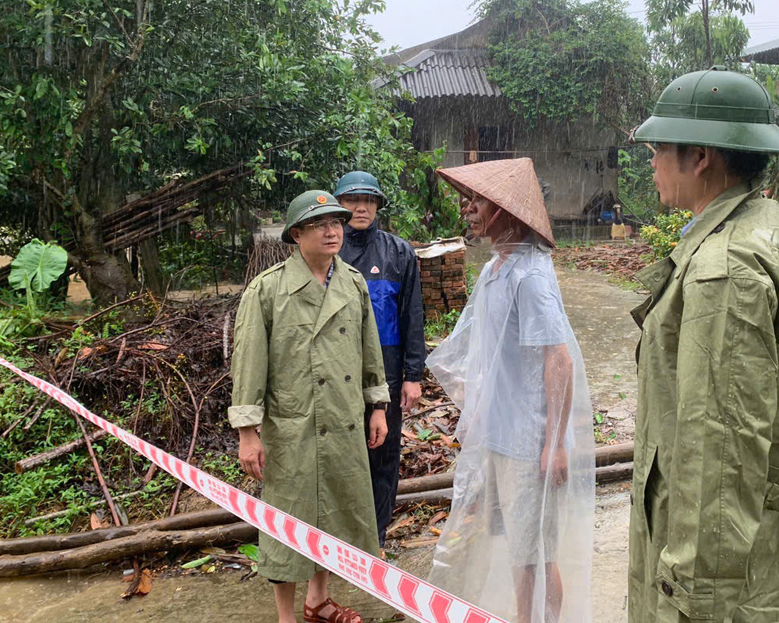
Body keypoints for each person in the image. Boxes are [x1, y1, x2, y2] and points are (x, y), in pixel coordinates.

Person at [626, 67, 779, 622]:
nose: (651, 163)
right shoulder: (769, 230)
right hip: (747, 546)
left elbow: (719, 450)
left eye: (659, 149)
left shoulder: (725, 268)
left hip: (719, 568)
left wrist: (694, 594)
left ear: (701, 157)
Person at [425, 157, 595, 623]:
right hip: (502, 436)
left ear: (503, 210)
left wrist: (554, 445)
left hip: (530, 442)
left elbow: (558, 359)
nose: (469, 210)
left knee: (538, 550)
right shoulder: (498, 269)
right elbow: (480, 349)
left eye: (477, 201)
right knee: (521, 550)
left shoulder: (531, 276)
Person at [230, 190, 391, 623]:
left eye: (336, 222)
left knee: (337, 512)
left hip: (342, 420)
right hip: (292, 426)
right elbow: (249, 365)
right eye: (320, 224)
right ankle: (287, 616)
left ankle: (318, 601)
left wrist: (377, 405)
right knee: (288, 522)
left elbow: (369, 351)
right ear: (296, 234)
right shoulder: (268, 290)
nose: (332, 230)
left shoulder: (352, 282)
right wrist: (248, 432)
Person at [334, 170, 426, 554]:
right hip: (335, 373)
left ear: (378, 206)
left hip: (385, 375)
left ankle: (376, 537)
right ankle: (338, 536)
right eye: (353, 200)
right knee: (339, 456)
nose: (361, 207)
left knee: (382, 457)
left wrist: (413, 375)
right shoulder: (326, 250)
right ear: (337, 205)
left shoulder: (398, 253)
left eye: (369, 200)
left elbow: (412, 316)